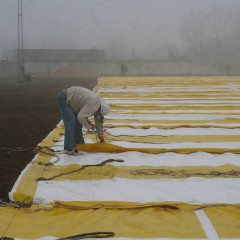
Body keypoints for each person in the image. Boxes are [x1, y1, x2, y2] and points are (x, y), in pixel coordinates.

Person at [57, 86, 109, 155]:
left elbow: (98, 121)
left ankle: (79, 144)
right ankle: (69, 148)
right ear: (99, 110)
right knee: (71, 122)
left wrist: (100, 135)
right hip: (64, 98)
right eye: (99, 113)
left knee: (78, 123)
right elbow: (81, 117)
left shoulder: (98, 106)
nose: (98, 115)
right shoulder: (93, 104)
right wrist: (90, 126)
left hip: (74, 101)